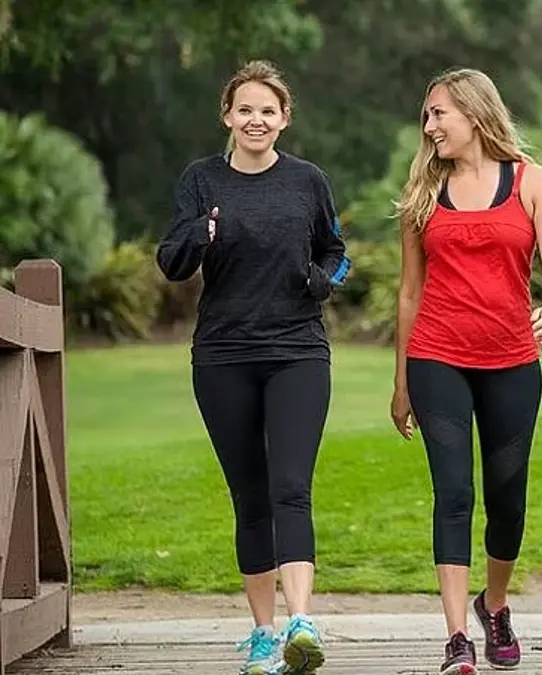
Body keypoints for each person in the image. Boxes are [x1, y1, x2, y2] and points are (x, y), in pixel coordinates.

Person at [156, 60, 349, 675]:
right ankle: (264, 636)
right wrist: (201, 234)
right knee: (250, 497)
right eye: (245, 110)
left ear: (284, 119)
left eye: (268, 110)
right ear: (228, 117)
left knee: (291, 487)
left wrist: (323, 281)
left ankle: (301, 624)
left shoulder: (308, 181)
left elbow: (337, 252)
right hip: (223, 356)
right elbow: (171, 262)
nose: (256, 120)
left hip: (298, 352)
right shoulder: (201, 180)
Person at [389, 67, 542, 675]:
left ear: (474, 113)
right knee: (454, 493)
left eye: (439, 113)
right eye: (427, 115)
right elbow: (409, 292)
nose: (429, 126)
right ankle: (456, 638)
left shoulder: (531, 181)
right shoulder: (423, 190)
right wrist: (401, 382)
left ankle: (493, 606)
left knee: (507, 500)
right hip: (437, 357)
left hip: (512, 361)